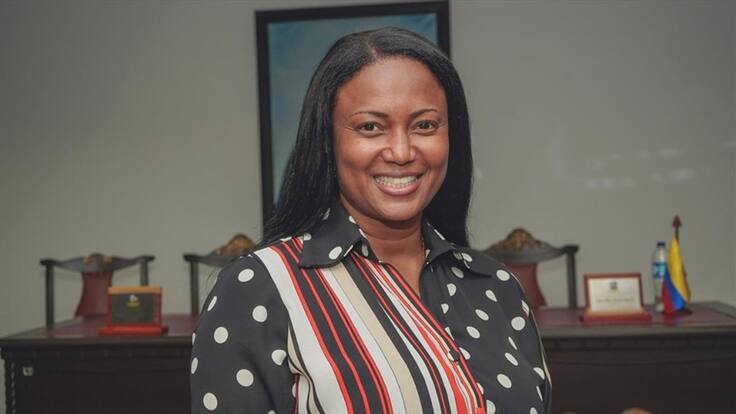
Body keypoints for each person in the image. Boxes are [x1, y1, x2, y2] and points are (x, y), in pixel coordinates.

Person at [191, 27, 551, 414]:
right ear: (327, 140)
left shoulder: (495, 285)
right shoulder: (261, 287)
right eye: (370, 127)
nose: (401, 151)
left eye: (425, 125)